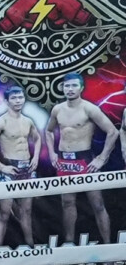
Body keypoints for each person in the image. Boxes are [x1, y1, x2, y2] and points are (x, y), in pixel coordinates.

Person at [44, 73, 116, 244]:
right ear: (62, 88)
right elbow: (48, 131)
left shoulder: (89, 109)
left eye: (74, 85)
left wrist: (102, 158)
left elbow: (112, 132)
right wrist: (52, 153)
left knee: (97, 204)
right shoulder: (57, 109)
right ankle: (70, 244)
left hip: (85, 160)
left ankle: (108, 246)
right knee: (67, 203)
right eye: (67, 86)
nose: (70, 89)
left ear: (81, 88)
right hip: (64, 161)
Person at [0, 84, 40, 247]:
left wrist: (35, 157)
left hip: (26, 169)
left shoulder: (28, 121)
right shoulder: (2, 122)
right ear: (7, 102)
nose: (18, 101)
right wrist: (1, 167)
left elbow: (37, 138)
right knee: (5, 213)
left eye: (20, 97)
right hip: (8, 169)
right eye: (14, 98)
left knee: (26, 211)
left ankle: (30, 248)